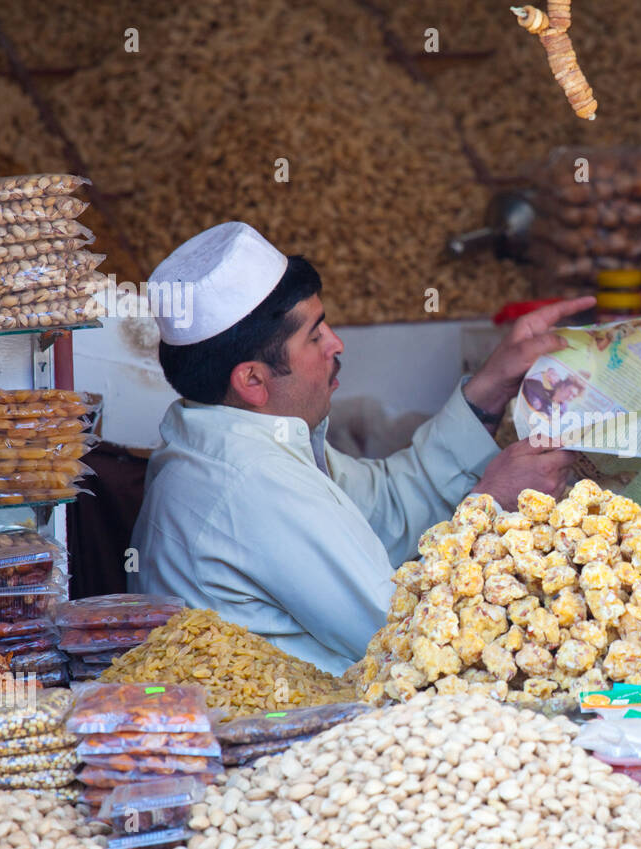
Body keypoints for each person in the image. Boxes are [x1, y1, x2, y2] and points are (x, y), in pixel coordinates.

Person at [129, 222, 588, 675]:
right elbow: (406, 633)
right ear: (252, 380)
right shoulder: (251, 481)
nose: (336, 344)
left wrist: (489, 388)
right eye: (314, 336)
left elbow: (385, 507)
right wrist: (491, 505)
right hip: (289, 733)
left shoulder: (230, 434)